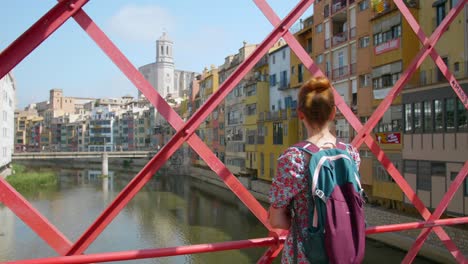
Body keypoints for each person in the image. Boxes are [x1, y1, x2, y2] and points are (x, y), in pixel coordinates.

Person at [268, 76, 360, 263]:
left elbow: (276, 220)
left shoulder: (294, 158)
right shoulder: (351, 153)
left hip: (306, 254)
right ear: (333, 112)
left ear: (300, 113)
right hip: (345, 251)